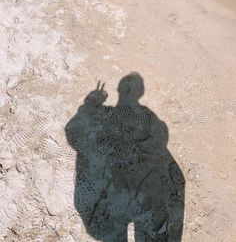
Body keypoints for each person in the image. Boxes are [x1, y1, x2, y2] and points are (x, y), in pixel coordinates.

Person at [65, 72, 185, 242]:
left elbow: (74, 133)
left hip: (128, 189)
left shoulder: (117, 115)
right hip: (128, 189)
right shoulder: (143, 116)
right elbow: (74, 133)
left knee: (124, 228)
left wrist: (90, 104)